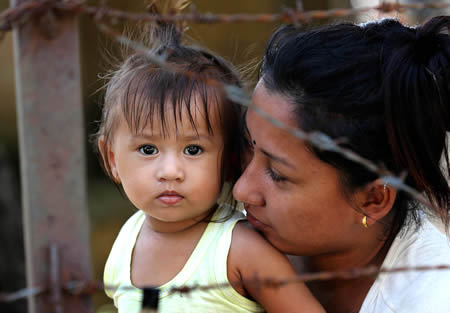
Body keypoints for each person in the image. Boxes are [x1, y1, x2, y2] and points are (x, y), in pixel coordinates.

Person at [93, 15, 325, 313]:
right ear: (112, 158)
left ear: (230, 161)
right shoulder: (127, 242)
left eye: (193, 149)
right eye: (148, 148)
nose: (170, 172)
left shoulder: (238, 250)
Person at [233, 16, 450, 313]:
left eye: (279, 174)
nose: (241, 190)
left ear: (372, 199)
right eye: (248, 144)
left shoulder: (429, 301)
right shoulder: (223, 238)